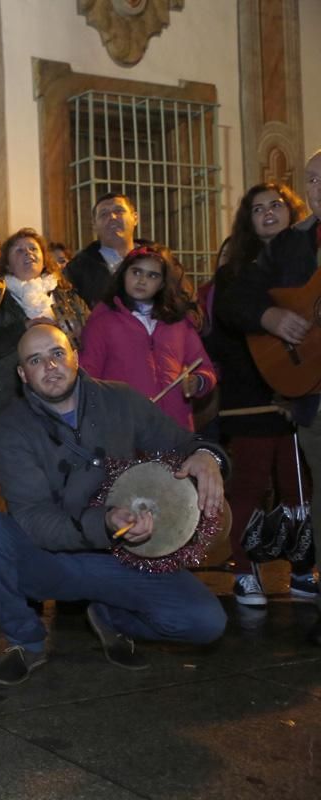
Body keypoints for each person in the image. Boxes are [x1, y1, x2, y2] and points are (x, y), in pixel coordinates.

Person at [0, 324, 228, 685]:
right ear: (23, 374)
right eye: (36, 360)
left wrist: (205, 456)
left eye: (57, 354)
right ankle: (25, 640)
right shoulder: (13, 426)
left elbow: (182, 442)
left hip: (122, 559)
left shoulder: (120, 399)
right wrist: (105, 523)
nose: (51, 366)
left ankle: (112, 618)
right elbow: (34, 519)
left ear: (75, 355)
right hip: (52, 560)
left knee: (205, 622)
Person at [217, 150, 321, 644]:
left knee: (300, 490)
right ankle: (248, 565)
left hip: (298, 394)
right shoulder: (270, 254)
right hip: (285, 394)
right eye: (312, 179)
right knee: (264, 487)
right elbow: (234, 309)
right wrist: (272, 321)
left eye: (277, 203)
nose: (318, 186)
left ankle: (302, 569)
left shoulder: (295, 244)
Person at [0, 228, 89, 453]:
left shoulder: (65, 294)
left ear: (44, 258)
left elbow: (89, 338)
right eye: (19, 250)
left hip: (64, 395)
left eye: (33, 249)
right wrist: (23, 329)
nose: (28, 254)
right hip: (6, 397)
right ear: (7, 263)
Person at [80, 244, 216, 431]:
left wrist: (198, 381)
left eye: (152, 275)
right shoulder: (103, 322)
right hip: (124, 429)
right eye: (136, 272)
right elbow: (87, 377)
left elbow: (205, 367)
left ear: (161, 284)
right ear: (123, 275)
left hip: (176, 428)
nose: (142, 280)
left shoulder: (177, 322)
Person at [66, 193, 141, 308]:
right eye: (104, 214)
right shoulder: (77, 269)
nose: (112, 217)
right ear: (94, 226)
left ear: (135, 218)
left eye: (119, 211)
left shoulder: (158, 260)